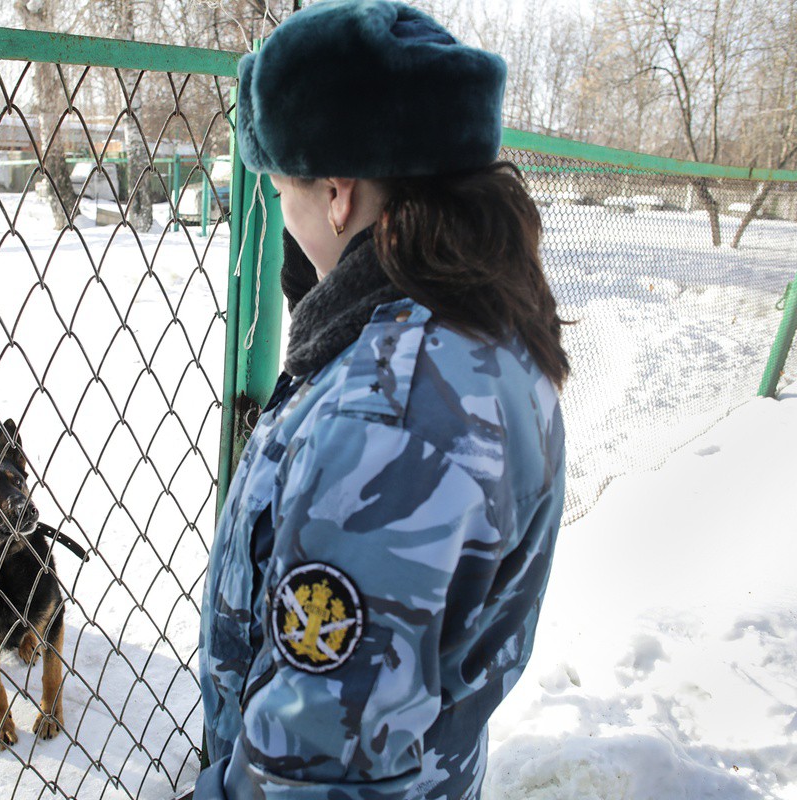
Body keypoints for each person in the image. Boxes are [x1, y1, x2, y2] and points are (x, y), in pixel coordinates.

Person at [196, 1, 569, 798]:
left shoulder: (385, 423)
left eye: (280, 192)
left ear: (337, 193)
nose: (282, 220)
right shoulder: (490, 320)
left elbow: (317, 771)